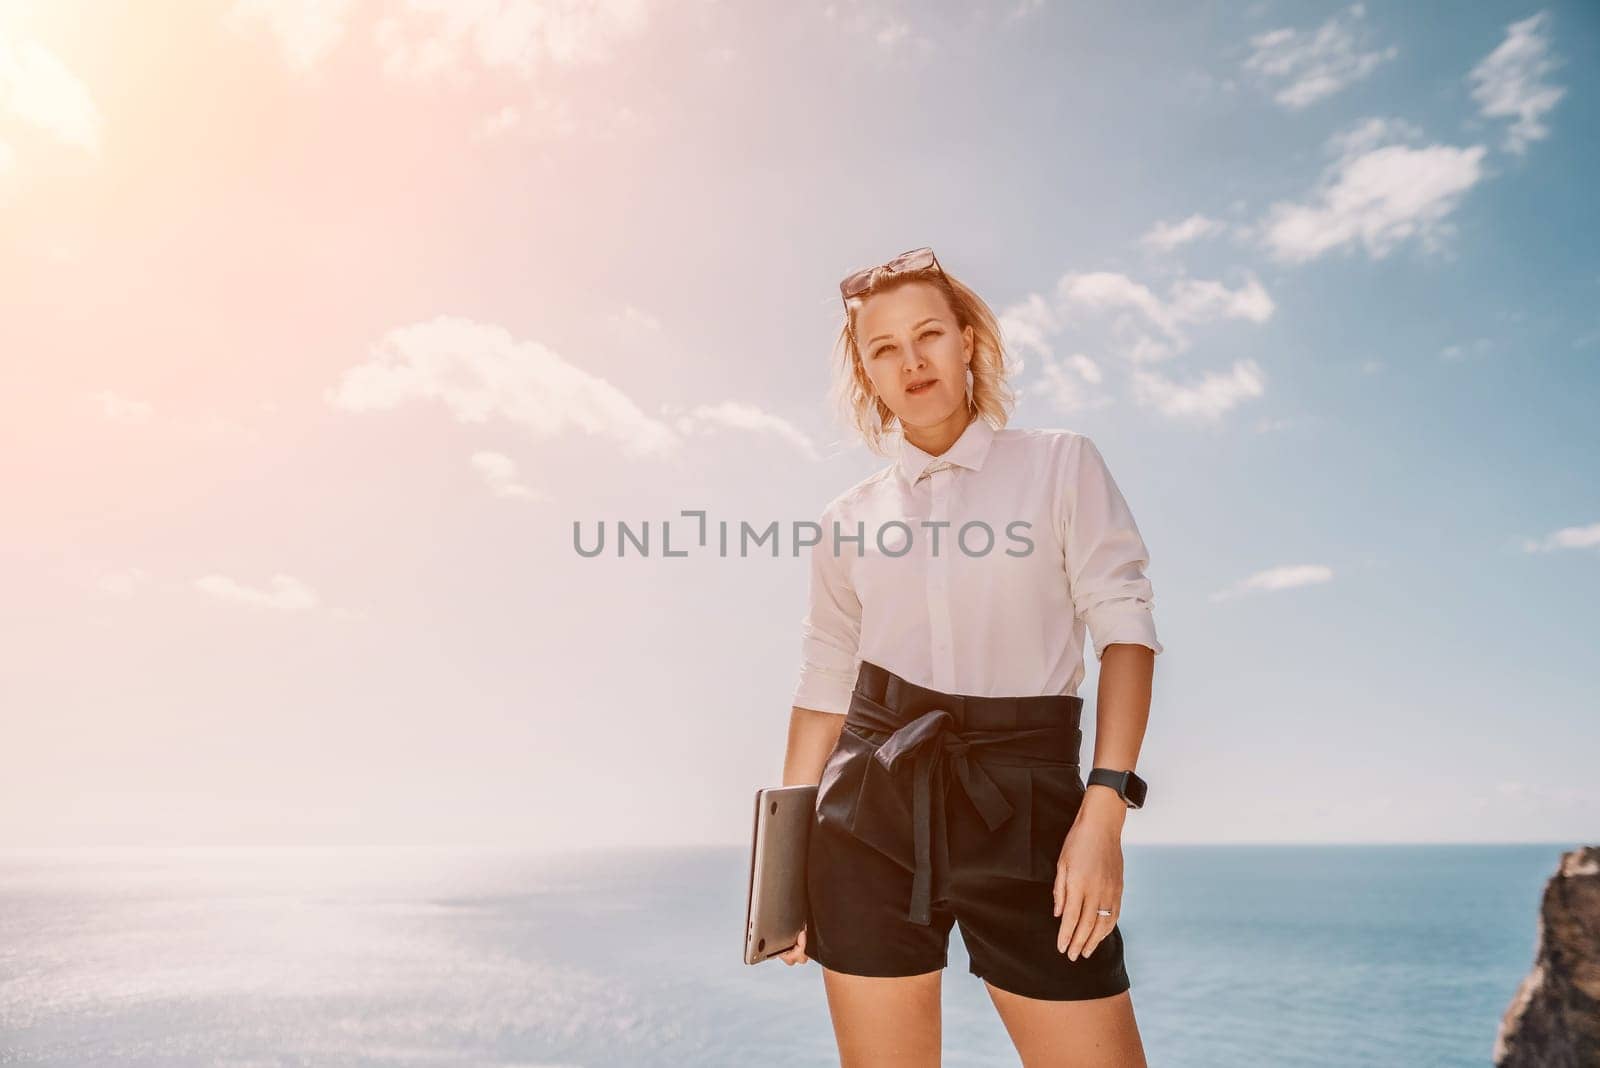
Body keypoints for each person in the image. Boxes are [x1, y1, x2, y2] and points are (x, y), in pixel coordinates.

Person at [778, 247, 1162, 1066]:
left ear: (969, 345)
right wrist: (782, 865)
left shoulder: (1062, 465)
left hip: (1029, 812)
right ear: (866, 374)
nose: (910, 360)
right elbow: (823, 684)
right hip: (869, 816)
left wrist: (1105, 808)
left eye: (928, 335)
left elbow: (1125, 630)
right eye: (883, 348)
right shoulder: (846, 518)